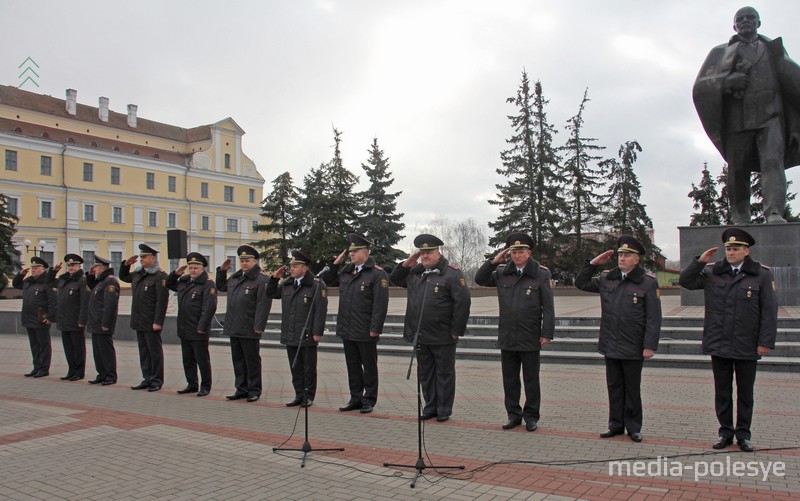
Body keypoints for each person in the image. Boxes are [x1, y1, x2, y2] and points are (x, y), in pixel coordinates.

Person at [693, 6, 800, 224]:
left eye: (750, 17)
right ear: (734, 26)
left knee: (773, 163)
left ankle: (774, 212)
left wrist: (796, 126)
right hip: (737, 120)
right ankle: (740, 216)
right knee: (737, 170)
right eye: (740, 19)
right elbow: (700, 87)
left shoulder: (773, 50)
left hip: (772, 118)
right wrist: (726, 82)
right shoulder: (719, 53)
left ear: (758, 23)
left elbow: (791, 89)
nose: (745, 21)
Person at [679, 227, 777, 452]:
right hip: (719, 341)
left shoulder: (761, 274)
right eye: (728, 249)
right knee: (722, 392)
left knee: (745, 393)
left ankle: (743, 434)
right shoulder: (713, 271)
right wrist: (700, 262)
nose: (731, 253)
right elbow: (686, 281)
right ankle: (725, 432)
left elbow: (769, 311)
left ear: (746, 251)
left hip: (747, 343)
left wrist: (765, 342)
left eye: (735, 249)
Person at [574, 236, 661, 443]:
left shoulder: (647, 282)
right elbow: (581, 283)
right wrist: (593, 264)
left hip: (633, 344)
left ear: (636, 259)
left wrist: (649, 345)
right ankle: (615, 425)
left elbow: (654, 317)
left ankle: (633, 427)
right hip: (611, 343)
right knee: (614, 387)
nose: (622, 258)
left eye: (627, 255)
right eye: (620, 254)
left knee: (632, 388)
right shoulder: (607, 278)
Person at [474, 232, 554, 432]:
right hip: (508, 334)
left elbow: (548, 306)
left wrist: (547, 332)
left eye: (521, 252)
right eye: (514, 252)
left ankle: (531, 416)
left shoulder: (541, 274)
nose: (517, 256)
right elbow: (480, 279)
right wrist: (493, 262)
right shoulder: (502, 272)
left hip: (530, 335)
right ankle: (513, 415)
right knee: (510, 380)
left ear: (529, 253)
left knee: (531, 380)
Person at [390, 234, 471, 422]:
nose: (425, 256)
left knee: (444, 374)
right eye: (422, 253)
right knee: (425, 374)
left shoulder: (451, 273)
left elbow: (463, 303)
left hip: (443, 334)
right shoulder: (415, 273)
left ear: (438, 253)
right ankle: (430, 407)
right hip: (420, 334)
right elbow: (395, 279)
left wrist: (456, 331)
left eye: (429, 252)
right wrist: (406, 264)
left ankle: (443, 409)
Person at [321, 233, 389, 414]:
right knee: (352, 366)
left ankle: (369, 399)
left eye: (355, 251)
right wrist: (335, 265)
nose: (351, 254)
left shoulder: (377, 273)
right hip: (348, 327)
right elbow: (327, 281)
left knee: (369, 367)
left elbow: (380, 304)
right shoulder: (346, 272)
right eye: (350, 251)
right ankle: (355, 398)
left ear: (365, 253)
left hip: (365, 329)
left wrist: (375, 328)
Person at [268, 249, 327, 408]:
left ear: (304, 268)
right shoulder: (287, 284)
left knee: (309, 368)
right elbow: (271, 293)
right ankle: (298, 395)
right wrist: (274, 278)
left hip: (306, 334)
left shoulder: (316, 285)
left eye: (295, 266)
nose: (291, 268)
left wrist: (317, 332)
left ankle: (308, 396)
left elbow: (320, 310)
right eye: (291, 266)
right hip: (290, 332)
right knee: (295, 367)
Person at [216, 245, 271, 402]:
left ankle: (254, 389)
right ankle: (241, 388)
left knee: (251, 360)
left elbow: (263, 305)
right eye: (242, 261)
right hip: (234, 325)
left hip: (249, 326)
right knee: (238, 360)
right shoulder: (236, 277)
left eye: (247, 261)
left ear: (255, 261)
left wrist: (259, 326)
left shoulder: (261, 279)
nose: (244, 263)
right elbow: (221, 287)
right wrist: (222, 271)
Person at [167, 252, 218, 397]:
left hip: (198, 329)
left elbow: (209, 308)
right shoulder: (184, 282)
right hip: (184, 327)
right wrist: (175, 274)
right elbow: (169, 284)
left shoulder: (208, 284)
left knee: (202, 360)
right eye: (191, 268)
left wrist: (202, 327)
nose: (193, 270)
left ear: (202, 269)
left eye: (196, 268)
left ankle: (205, 386)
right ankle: (192, 384)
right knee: (188, 359)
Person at [120, 244, 169, 392]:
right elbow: (123, 277)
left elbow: (162, 302)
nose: (141, 259)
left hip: (151, 321)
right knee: (144, 352)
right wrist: (126, 265)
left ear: (153, 259)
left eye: (145, 257)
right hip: (139, 320)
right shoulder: (138, 274)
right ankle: (147, 378)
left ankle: (156, 380)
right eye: (141, 257)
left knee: (154, 352)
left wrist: (158, 322)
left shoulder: (160, 276)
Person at [12, 256, 57, 378]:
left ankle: (44, 368)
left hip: (41, 316)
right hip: (28, 317)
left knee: (43, 344)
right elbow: (16, 284)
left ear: (43, 269)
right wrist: (20, 275)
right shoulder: (29, 281)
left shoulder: (47, 282)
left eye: (36, 268)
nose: (33, 270)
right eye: (32, 268)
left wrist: (51, 317)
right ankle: (36, 367)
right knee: (34, 345)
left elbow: (53, 301)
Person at [85, 256, 120, 386]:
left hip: (102, 323)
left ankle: (110, 375)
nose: (94, 270)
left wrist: (106, 323)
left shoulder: (110, 282)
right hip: (95, 322)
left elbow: (110, 304)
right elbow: (91, 287)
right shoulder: (100, 281)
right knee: (98, 352)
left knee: (106, 351)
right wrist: (90, 276)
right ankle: (102, 374)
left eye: (96, 267)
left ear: (102, 268)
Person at [55, 254, 89, 381]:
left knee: (78, 348)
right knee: (68, 348)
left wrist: (82, 320)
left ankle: (79, 372)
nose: (70, 267)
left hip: (75, 320)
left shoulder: (82, 281)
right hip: (64, 320)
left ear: (79, 266)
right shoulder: (64, 280)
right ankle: (71, 370)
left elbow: (84, 302)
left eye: (73, 265)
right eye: (69, 265)